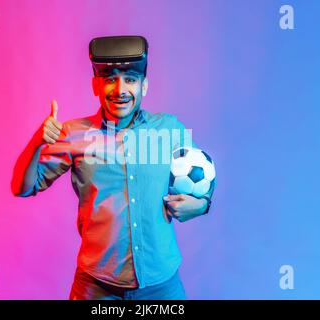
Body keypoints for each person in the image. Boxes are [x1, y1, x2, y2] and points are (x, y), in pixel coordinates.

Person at [11, 35, 214, 300]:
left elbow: (205, 177)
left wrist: (201, 205)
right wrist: (37, 143)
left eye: (130, 79)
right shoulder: (74, 133)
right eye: (110, 79)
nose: (120, 90)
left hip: (161, 287)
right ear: (96, 86)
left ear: (144, 86)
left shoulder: (169, 129)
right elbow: (22, 188)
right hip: (96, 288)